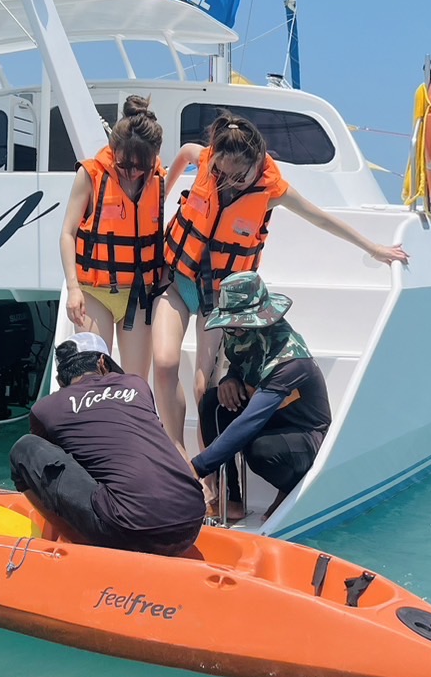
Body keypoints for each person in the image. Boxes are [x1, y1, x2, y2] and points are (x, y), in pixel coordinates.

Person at [151, 110, 409, 448]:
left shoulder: (274, 191)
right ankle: (179, 456)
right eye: (222, 173)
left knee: (204, 385)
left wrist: (373, 248)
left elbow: (322, 220)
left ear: (257, 161)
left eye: (238, 177)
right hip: (179, 279)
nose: (229, 182)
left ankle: (209, 475)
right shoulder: (204, 158)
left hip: (221, 300)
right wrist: (157, 210)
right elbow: (184, 154)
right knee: (166, 364)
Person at [9, 332, 205, 556]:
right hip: (193, 518)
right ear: (103, 363)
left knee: (24, 449)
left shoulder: (46, 409)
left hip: (133, 531)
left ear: (60, 380)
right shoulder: (136, 384)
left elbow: (47, 474)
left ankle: (70, 548)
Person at [191, 271, 331, 521]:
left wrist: (197, 466)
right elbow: (242, 362)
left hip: (304, 432)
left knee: (261, 450)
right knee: (213, 402)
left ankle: (289, 490)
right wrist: (229, 379)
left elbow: (251, 421)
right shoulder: (239, 333)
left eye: (240, 323)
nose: (234, 329)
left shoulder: (290, 361)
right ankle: (231, 499)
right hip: (270, 416)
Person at [59, 95, 166, 379]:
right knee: (93, 378)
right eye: (123, 164)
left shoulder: (159, 178)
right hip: (94, 292)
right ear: (112, 150)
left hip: (138, 294)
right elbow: (67, 234)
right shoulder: (90, 175)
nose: (132, 173)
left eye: (140, 166)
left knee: (136, 382)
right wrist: (73, 289)